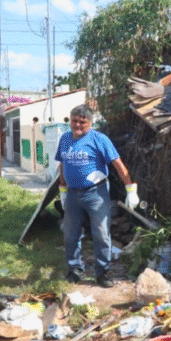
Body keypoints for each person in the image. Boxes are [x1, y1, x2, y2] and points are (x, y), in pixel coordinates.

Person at [56, 105, 140, 288]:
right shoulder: (64, 139)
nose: (78, 125)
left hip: (96, 194)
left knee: (101, 234)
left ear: (90, 123)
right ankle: (75, 269)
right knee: (71, 234)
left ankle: (103, 273)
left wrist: (130, 189)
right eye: (74, 121)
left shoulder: (99, 139)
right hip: (72, 194)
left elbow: (117, 163)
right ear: (70, 121)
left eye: (82, 122)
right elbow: (62, 164)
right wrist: (62, 189)